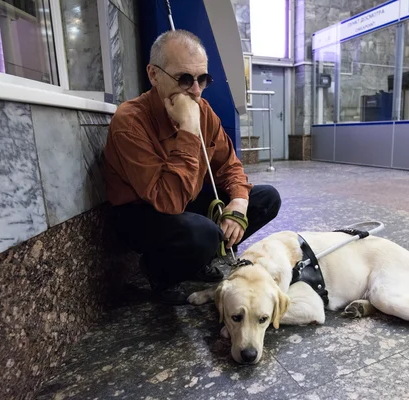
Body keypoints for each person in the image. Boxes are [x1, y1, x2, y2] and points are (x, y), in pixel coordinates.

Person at [103, 29, 281, 305]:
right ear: (153, 75)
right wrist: (187, 129)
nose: (196, 90)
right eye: (184, 79)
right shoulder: (130, 122)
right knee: (202, 234)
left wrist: (238, 203)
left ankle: (199, 256)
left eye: (202, 79)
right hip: (140, 212)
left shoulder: (204, 110)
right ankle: (159, 270)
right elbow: (167, 200)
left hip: (184, 197)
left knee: (267, 198)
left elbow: (229, 164)